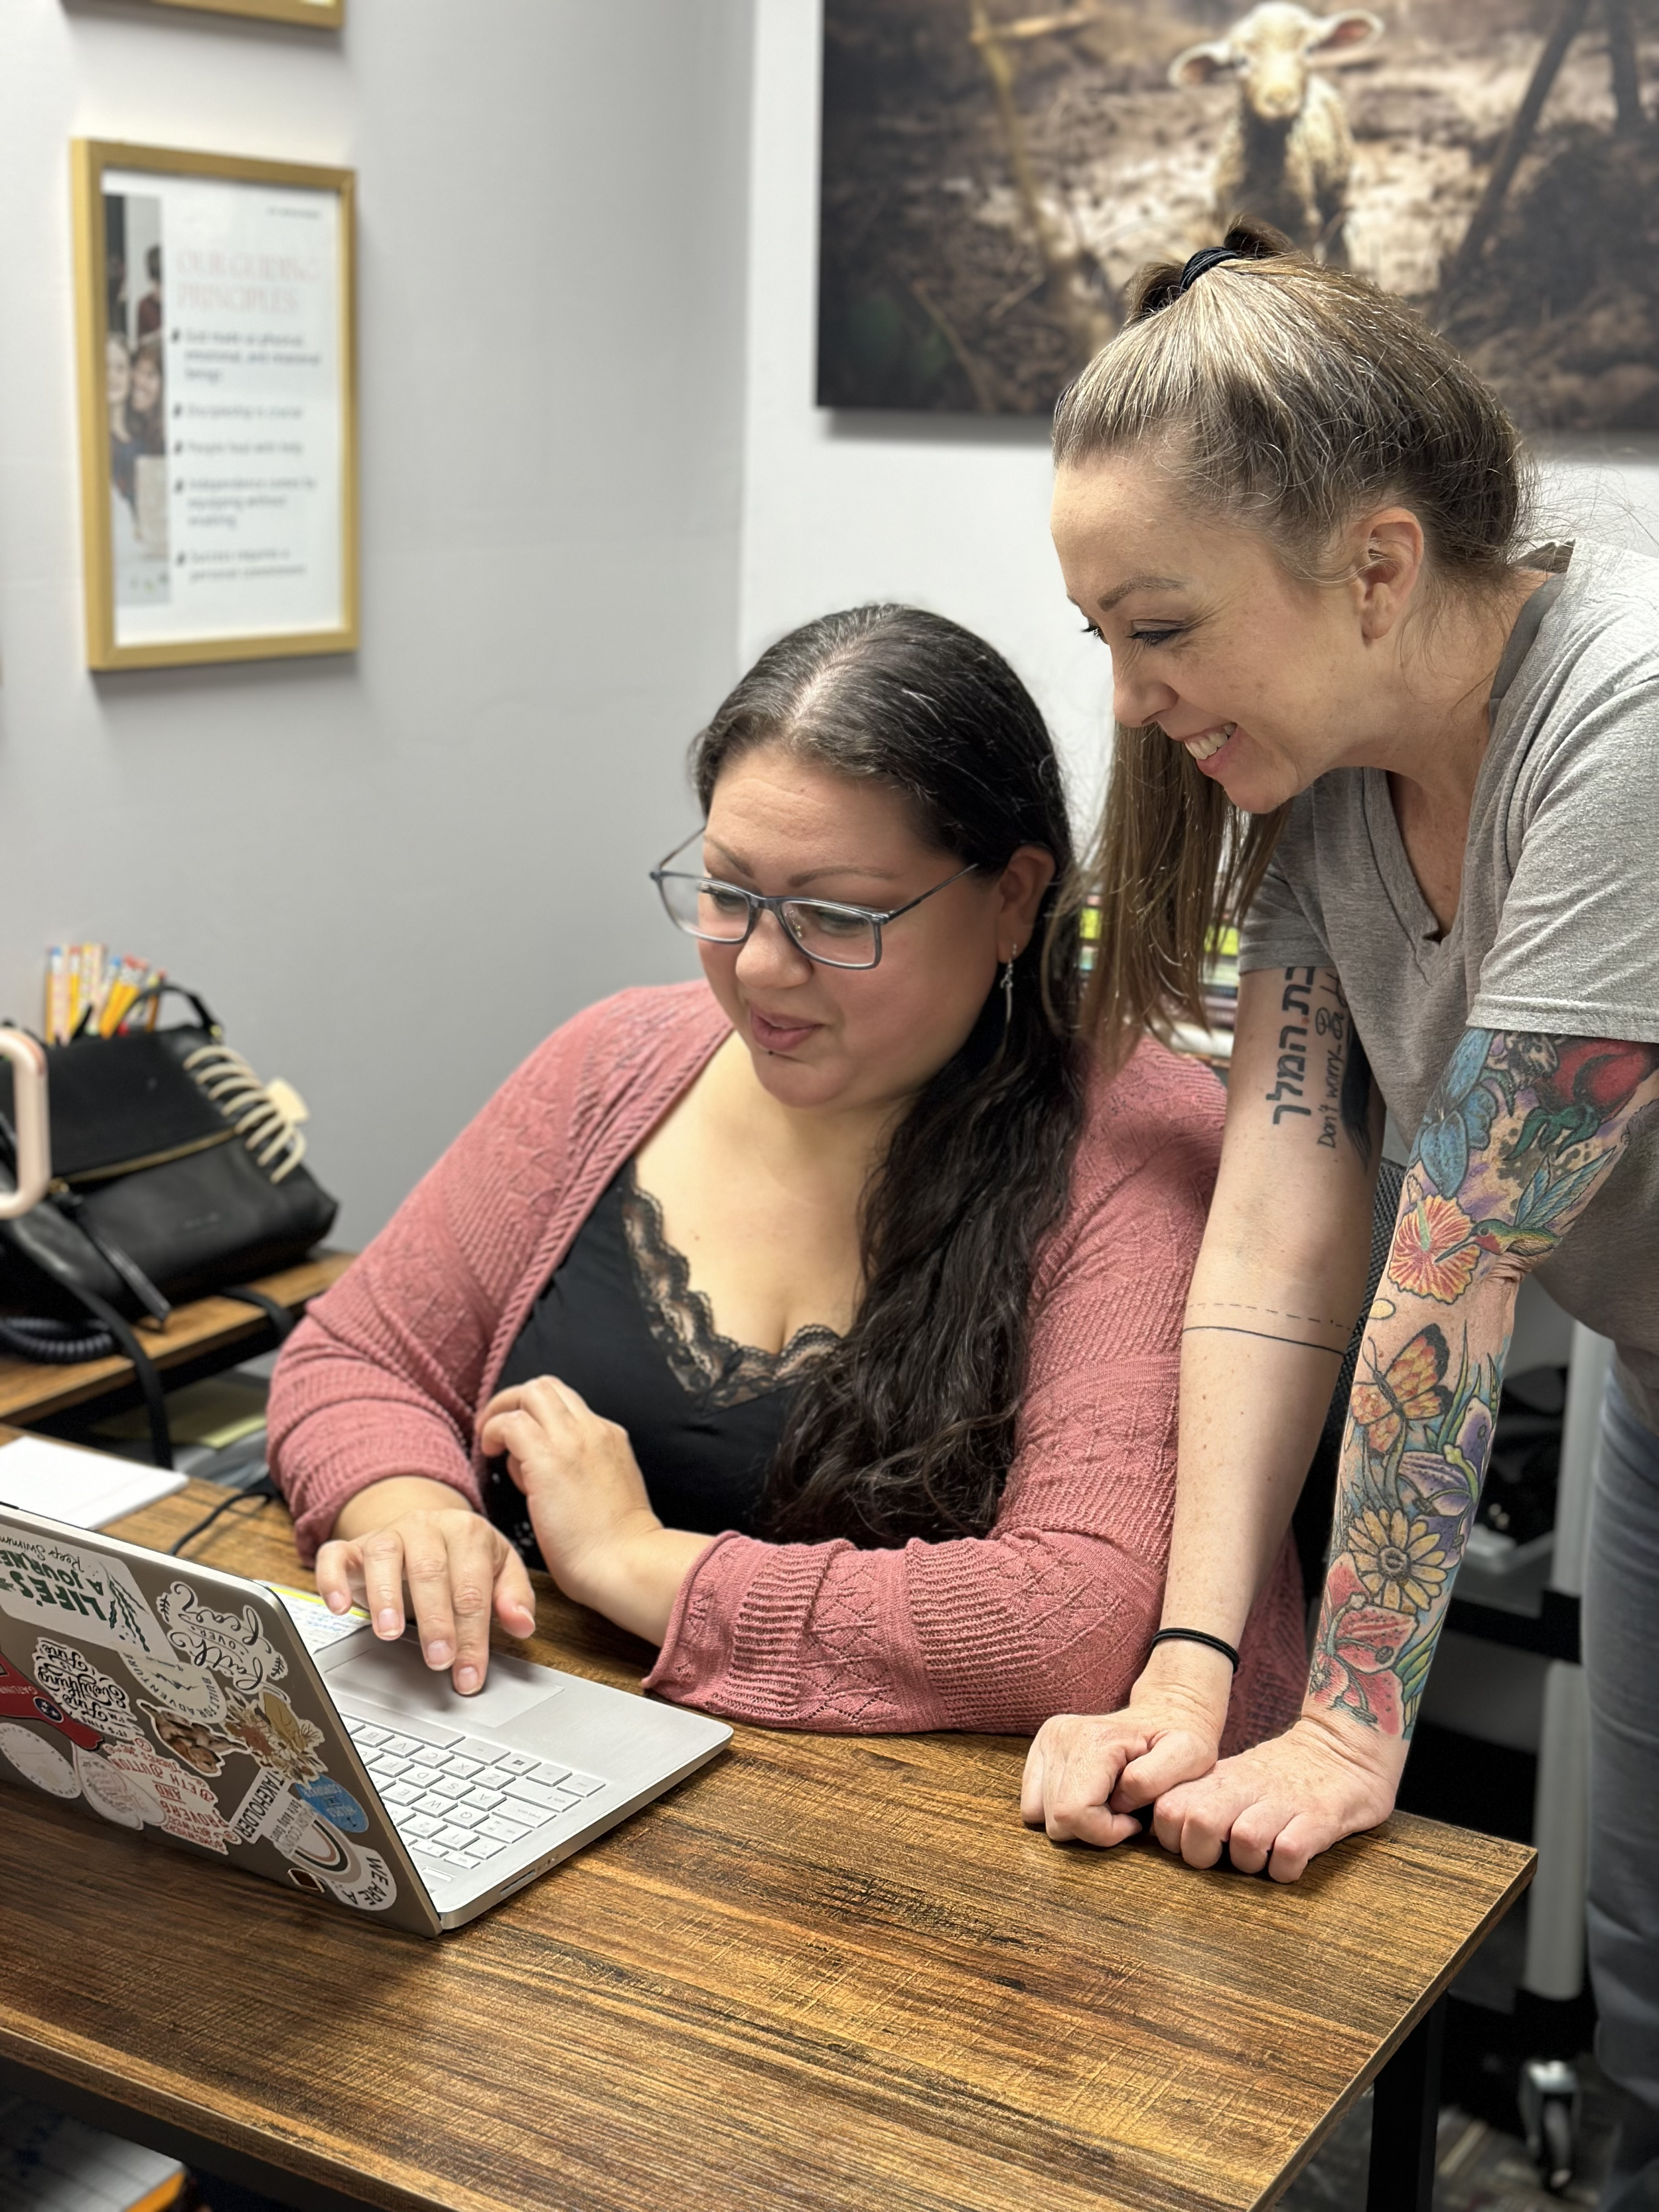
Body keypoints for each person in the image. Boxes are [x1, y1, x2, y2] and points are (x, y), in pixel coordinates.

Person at [1020, 224, 1659, 2207]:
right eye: (1100, 639)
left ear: (1374, 567)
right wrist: (1199, 1658)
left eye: (1161, 630)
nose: (1129, 701)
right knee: (1641, 1981)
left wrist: (1357, 1722)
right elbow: (1283, 1224)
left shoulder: (1625, 720)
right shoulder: (1327, 773)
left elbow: (1451, 1256)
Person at [267, 605, 1305, 1740]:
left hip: (915, 1853)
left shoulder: (1135, 1145)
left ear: (1011, 896)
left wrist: (641, 1562)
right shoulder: (615, 1059)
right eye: (727, 892)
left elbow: (1071, 1620)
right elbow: (362, 1355)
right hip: (545, 1746)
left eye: (834, 915)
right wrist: (409, 1509)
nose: (763, 966)